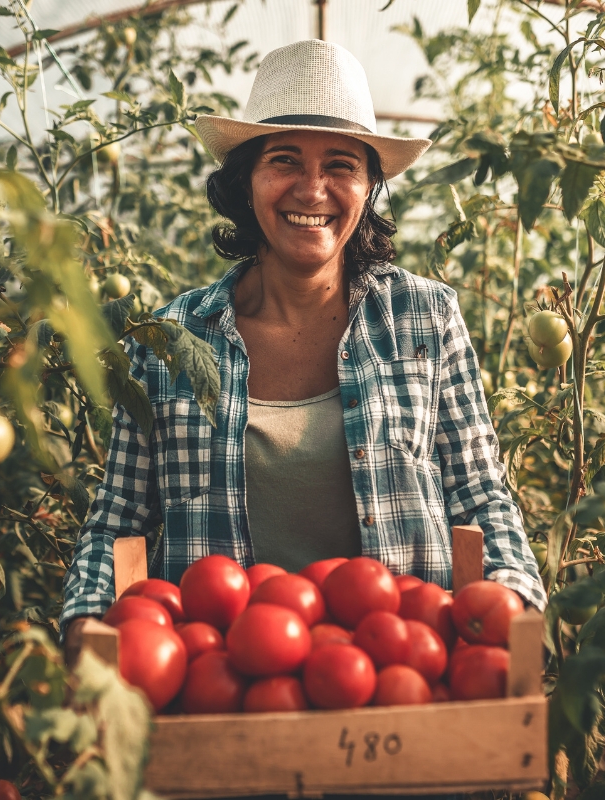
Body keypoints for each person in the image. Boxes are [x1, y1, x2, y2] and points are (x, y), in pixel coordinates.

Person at [60, 39, 544, 643]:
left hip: (401, 672)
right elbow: (116, 523)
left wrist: (513, 601)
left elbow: (480, 498)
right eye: (284, 160)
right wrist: (85, 623)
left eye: (341, 164)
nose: (312, 190)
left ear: (368, 188)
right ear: (247, 183)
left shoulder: (425, 319)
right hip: (220, 681)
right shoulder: (170, 343)